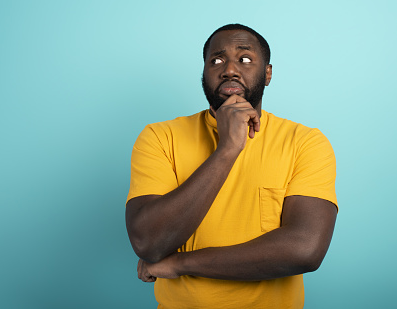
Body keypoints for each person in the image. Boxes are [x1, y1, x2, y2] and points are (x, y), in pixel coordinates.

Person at [125, 24, 338, 308]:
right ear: (204, 73)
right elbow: (149, 242)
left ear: (268, 73)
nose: (229, 69)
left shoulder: (305, 142)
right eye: (216, 60)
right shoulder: (160, 137)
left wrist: (180, 263)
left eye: (245, 59)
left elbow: (305, 250)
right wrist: (227, 149)